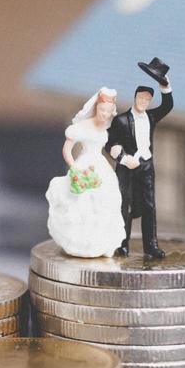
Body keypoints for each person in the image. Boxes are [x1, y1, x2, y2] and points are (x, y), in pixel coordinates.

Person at [45, 88, 126, 258]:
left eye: (108, 112)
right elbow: (67, 149)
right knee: (82, 201)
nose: (104, 114)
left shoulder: (108, 127)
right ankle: (81, 242)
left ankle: (101, 242)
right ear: (96, 108)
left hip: (100, 165)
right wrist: (74, 167)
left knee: (106, 198)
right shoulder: (82, 127)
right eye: (102, 110)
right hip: (85, 163)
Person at [108, 58, 172, 259]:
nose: (143, 102)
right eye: (141, 99)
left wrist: (165, 84)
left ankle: (151, 245)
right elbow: (109, 143)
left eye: (147, 100)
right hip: (127, 167)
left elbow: (168, 105)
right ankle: (122, 243)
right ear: (135, 98)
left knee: (149, 206)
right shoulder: (121, 120)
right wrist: (124, 158)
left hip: (146, 165)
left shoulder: (151, 117)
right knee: (124, 204)